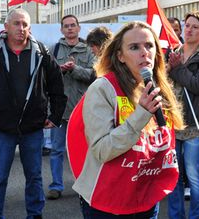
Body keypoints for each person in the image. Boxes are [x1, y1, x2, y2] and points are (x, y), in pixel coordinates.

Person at [72, 21, 184, 218]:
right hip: (108, 200)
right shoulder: (102, 88)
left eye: (149, 45)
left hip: (144, 196)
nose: (144, 52)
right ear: (120, 56)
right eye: (134, 47)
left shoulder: (157, 87)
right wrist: (140, 115)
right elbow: (102, 150)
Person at [0, 8, 65, 219]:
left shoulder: (42, 53)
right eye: (16, 24)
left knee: (35, 177)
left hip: (32, 128)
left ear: (30, 28)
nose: (21, 28)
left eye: (25, 24)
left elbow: (57, 87)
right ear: (6, 27)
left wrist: (55, 117)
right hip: (2, 128)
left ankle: (35, 215)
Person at [167, 11, 199, 219]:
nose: (189, 30)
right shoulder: (174, 51)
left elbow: (198, 85)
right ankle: (175, 216)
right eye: (187, 25)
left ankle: (197, 217)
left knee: (194, 175)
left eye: (195, 27)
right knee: (172, 175)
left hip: (196, 123)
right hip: (173, 120)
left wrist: (176, 69)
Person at [45, 14, 95, 200]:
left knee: (85, 148)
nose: (70, 29)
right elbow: (46, 75)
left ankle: (85, 185)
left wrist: (74, 69)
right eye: (66, 26)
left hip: (83, 109)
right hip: (60, 109)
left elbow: (95, 75)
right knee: (57, 149)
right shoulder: (54, 49)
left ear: (78, 28)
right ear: (61, 30)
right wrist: (61, 69)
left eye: (73, 25)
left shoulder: (89, 50)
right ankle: (56, 186)